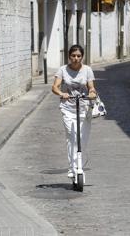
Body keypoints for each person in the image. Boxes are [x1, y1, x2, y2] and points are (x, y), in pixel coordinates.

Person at [51, 45, 97, 179]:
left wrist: (92, 93)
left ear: (82, 57)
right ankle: (72, 167)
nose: (76, 58)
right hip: (68, 108)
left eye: (78, 56)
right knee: (72, 137)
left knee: (82, 139)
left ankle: (79, 166)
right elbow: (54, 86)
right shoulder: (62, 70)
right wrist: (61, 93)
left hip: (84, 108)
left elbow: (91, 87)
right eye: (73, 56)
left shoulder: (87, 70)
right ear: (69, 56)